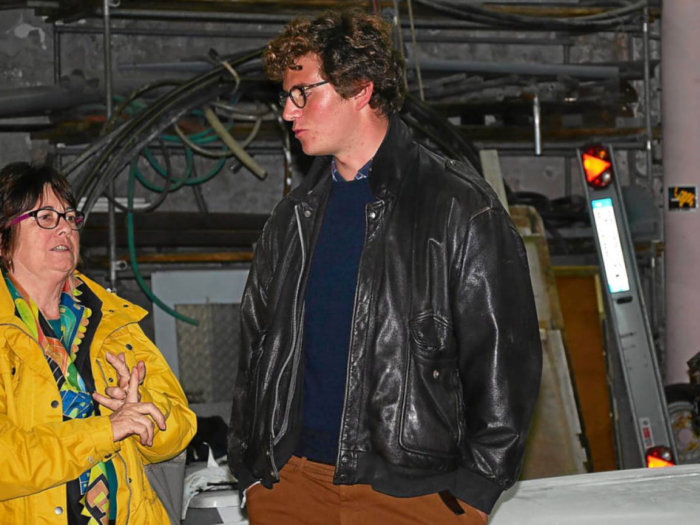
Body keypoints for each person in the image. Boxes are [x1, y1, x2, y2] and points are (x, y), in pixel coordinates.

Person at [228, 9, 542, 525]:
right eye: (285, 96)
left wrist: (473, 491)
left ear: (359, 88)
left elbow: (505, 362)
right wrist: (251, 471)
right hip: (290, 486)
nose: (287, 112)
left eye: (302, 93)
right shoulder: (293, 218)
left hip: (413, 494)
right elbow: (257, 350)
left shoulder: (458, 207)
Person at [0, 162, 196, 524]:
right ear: (3, 239)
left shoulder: (111, 317)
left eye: (69, 217)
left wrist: (142, 410)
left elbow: (181, 428)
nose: (64, 227)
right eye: (45, 217)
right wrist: (106, 431)